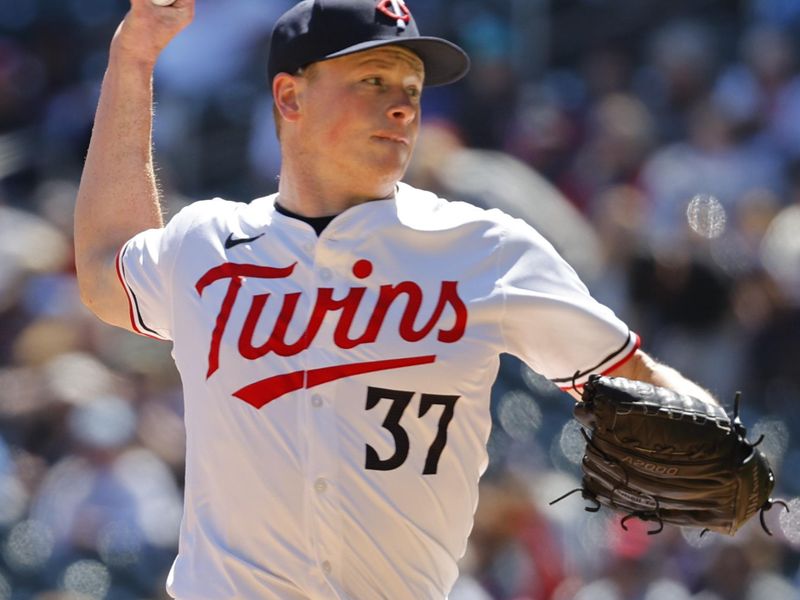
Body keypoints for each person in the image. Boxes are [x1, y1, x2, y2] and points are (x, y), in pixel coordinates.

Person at [74, 0, 720, 598]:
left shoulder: (484, 250)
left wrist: (728, 462)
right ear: (289, 96)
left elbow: (636, 387)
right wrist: (134, 56)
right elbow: (107, 268)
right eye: (374, 81)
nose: (404, 107)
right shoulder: (208, 243)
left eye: (411, 90)